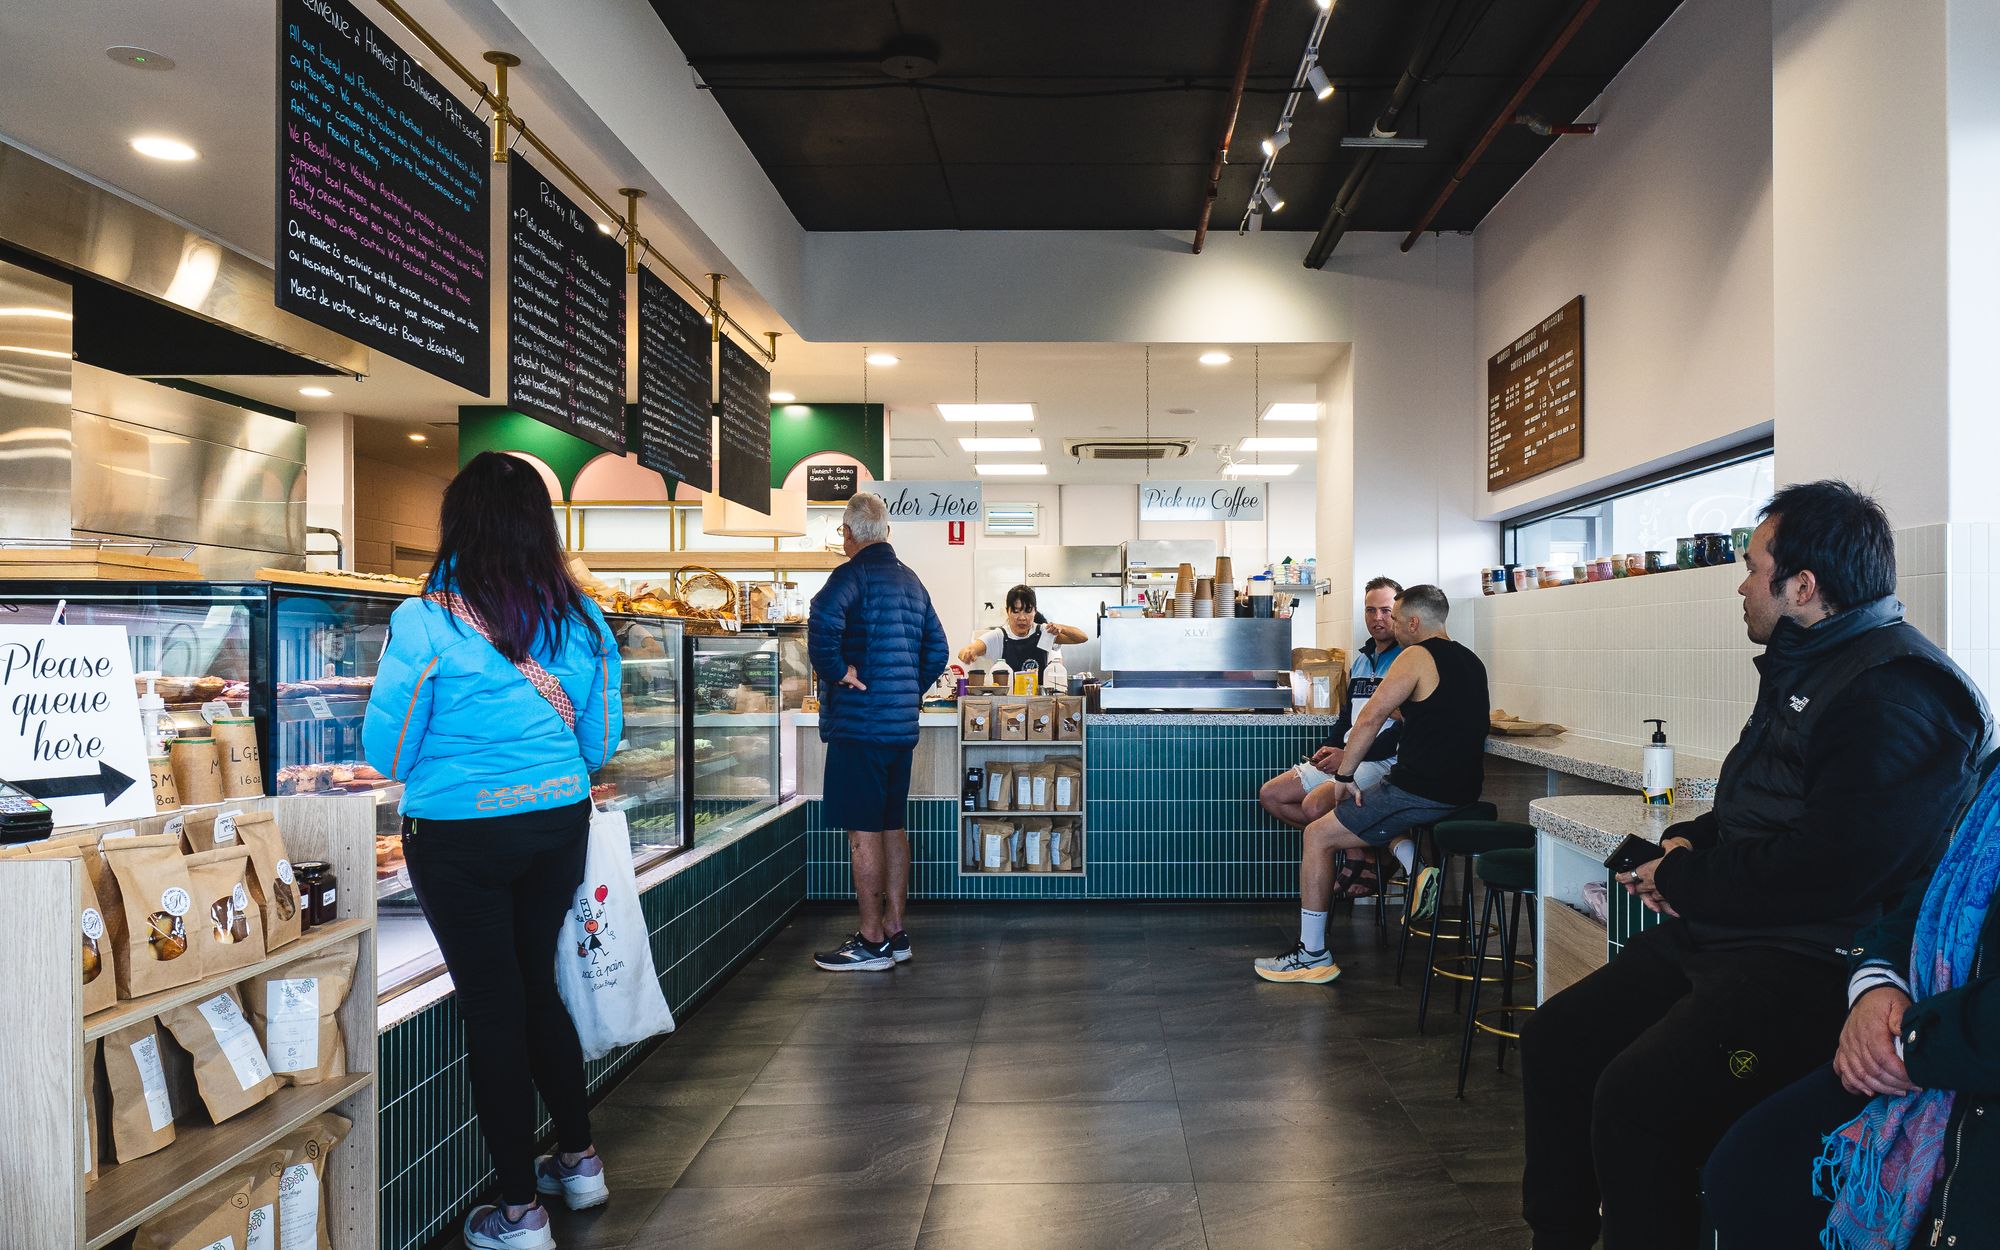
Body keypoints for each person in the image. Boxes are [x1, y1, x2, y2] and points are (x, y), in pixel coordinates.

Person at [1516, 480, 1991, 1250]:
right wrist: (1694, 844)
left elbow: (1833, 870)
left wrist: (1680, 880)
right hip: (1731, 940)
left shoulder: (1899, 693)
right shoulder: (1809, 666)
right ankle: (1558, 1236)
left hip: (1810, 964)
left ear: (1802, 586)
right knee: (1559, 1040)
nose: (1741, 585)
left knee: (1638, 1101)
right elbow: (1762, 805)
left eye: (1752, 566)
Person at [363, 452, 624, 1250]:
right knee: (535, 984)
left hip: (458, 839)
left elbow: (389, 752)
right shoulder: (582, 620)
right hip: (555, 825)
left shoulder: (425, 622)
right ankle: (578, 1164)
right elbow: (601, 739)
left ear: (459, 525)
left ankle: (518, 1212)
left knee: (493, 1004)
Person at [1703, 755, 2000, 1250]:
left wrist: (1908, 1043)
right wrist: (1874, 986)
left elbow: (1829, 857)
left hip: (1952, 1058)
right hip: (1923, 1033)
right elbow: (1924, 899)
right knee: (1748, 1166)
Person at [1254, 584, 1489, 985]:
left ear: (1414, 622)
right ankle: (1410, 858)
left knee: (1317, 835)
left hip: (1418, 792)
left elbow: (1370, 718)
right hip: (1465, 792)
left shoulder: (1416, 655)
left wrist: (1344, 776)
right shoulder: (1470, 660)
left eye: (1395, 618)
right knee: (1326, 822)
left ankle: (1313, 955)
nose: (1391, 626)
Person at [808, 492, 950, 971]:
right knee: (892, 825)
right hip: (898, 730)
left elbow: (820, 626)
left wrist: (837, 671)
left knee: (863, 832)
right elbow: (938, 648)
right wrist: (908, 689)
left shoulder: (849, 576)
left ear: (848, 534)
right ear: (886, 533)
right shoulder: (912, 582)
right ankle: (896, 931)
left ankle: (870, 941)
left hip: (859, 727)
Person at [1259, 576, 1405, 896]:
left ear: (1401, 612)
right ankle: (1364, 853)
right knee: (1272, 796)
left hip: (1382, 762)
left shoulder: (1408, 660)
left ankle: (1366, 853)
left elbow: (1401, 733)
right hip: (1351, 755)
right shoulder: (1363, 659)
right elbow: (1347, 715)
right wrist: (1333, 747)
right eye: (1370, 610)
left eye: (1385, 610)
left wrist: (1349, 756)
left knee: (1314, 807)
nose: (1377, 618)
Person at [956, 583, 1088, 675]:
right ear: (1007, 611)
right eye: (1016, 611)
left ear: (1035, 611)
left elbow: (1082, 637)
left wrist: (1061, 627)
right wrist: (967, 653)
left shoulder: (1043, 632)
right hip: (1009, 705)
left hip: (1038, 702)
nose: (1022, 618)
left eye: (1027, 611)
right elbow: (970, 649)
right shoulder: (1000, 636)